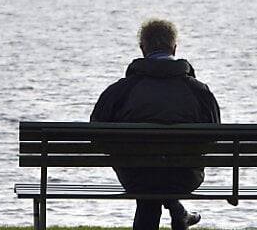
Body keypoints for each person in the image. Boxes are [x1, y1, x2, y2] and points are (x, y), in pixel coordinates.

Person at [91, 18, 221, 230]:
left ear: (143, 49)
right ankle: (179, 213)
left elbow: (96, 135)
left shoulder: (120, 91)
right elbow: (214, 136)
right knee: (159, 174)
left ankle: (179, 212)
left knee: (148, 178)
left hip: (135, 176)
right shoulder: (199, 91)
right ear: (175, 48)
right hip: (185, 176)